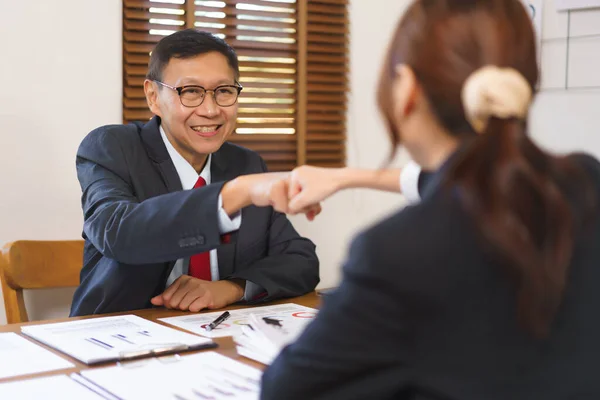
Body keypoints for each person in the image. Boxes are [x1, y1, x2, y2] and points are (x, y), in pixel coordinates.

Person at [260, 1, 600, 399]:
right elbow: (473, 182)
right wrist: (345, 177)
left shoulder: (396, 253)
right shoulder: (585, 182)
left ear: (406, 89)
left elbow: (286, 391)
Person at [70, 29, 320, 316]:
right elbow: (119, 233)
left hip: (212, 336)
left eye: (224, 91)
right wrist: (233, 195)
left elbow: (300, 260)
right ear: (153, 96)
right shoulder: (113, 148)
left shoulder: (246, 163)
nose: (211, 110)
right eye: (190, 92)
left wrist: (231, 288)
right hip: (117, 334)